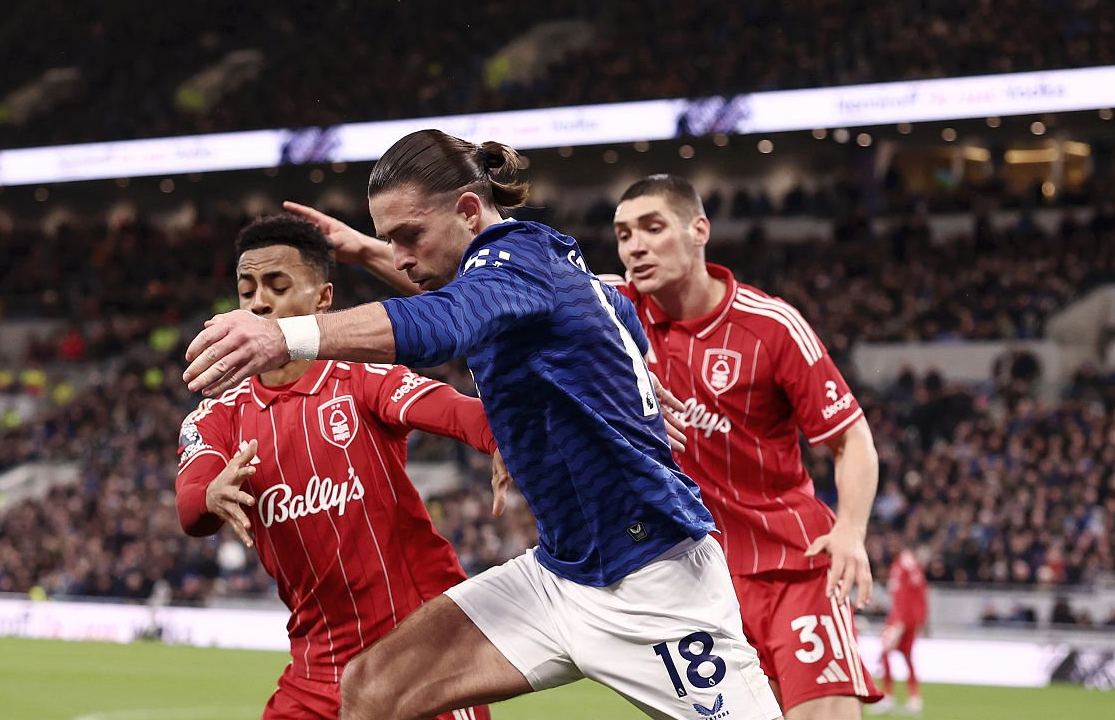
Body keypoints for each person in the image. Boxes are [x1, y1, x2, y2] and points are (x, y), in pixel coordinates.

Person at [183, 130, 782, 720]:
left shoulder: (516, 264)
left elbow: (446, 321)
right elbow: (589, 311)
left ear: (469, 210)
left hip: (653, 581)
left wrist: (282, 336)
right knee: (374, 687)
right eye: (390, 241)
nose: (400, 256)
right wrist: (633, 370)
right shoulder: (545, 263)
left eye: (408, 236)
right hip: (560, 576)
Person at [174, 213, 496, 720]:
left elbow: (457, 411)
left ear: (322, 300)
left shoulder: (361, 379)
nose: (259, 301)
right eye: (246, 289)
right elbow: (192, 508)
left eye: (278, 286)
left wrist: (505, 440)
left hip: (420, 658)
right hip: (316, 671)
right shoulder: (218, 414)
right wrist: (210, 495)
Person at [606, 175, 882, 719]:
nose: (634, 245)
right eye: (622, 234)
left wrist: (850, 529)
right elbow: (509, 297)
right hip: (694, 587)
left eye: (652, 227)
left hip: (790, 568)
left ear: (699, 230)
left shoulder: (771, 326)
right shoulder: (612, 312)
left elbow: (851, 437)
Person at [873, 544, 928, 716]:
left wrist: (901, 622)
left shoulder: (902, 564)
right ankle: (914, 698)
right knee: (906, 656)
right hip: (909, 617)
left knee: (885, 653)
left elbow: (906, 594)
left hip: (902, 617)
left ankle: (889, 697)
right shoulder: (909, 563)